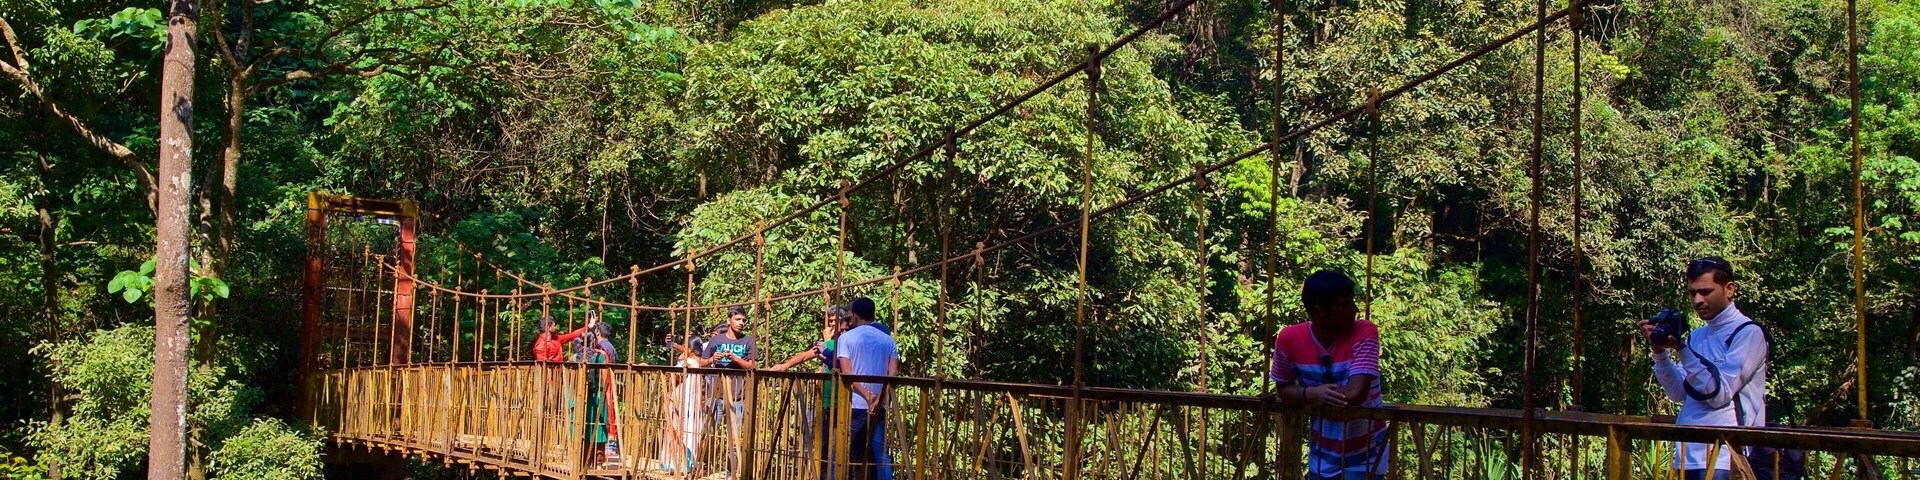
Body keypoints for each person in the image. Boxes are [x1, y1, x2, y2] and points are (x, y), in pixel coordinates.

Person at [1637, 256, 1769, 480]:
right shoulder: (1699, 335)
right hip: (1688, 454)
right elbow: (1678, 392)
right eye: (1692, 293)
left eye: (1705, 292)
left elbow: (1720, 394)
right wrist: (1660, 352)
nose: (1697, 300)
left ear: (1729, 289)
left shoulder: (1748, 334)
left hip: (1727, 457)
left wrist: (1681, 348)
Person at [1268, 269, 1388, 480]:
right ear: (1320, 310)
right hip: (1323, 450)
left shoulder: (1365, 331)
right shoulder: (1289, 339)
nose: (1354, 309)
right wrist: (1311, 394)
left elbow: (1355, 393)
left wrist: (1310, 394)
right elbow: (1283, 387)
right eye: (1344, 304)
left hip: (1368, 451)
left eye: (1352, 301)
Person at [767, 306, 854, 480]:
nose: (833, 325)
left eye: (836, 322)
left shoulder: (850, 343)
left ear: (846, 323)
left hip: (848, 403)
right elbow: (806, 356)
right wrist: (785, 366)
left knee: (845, 448)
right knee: (823, 448)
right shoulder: (828, 345)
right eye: (830, 322)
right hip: (827, 403)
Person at [836, 297, 898, 480]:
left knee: (852, 451)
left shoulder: (846, 338)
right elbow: (892, 375)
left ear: (854, 316)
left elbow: (847, 374)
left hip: (857, 404)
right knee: (881, 455)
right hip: (880, 405)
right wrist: (878, 400)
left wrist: (866, 396)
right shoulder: (888, 340)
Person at [698, 307, 758, 478]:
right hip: (715, 394)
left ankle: (731, 473)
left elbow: (753, 365)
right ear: (729, 320)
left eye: (744, 320)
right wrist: (712, 359)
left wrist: (736, 359)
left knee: (734, 438)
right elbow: (701, 362)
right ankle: (703, 466)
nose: (741, 323)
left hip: (738, 395)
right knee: (707, 432)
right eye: (738, 319)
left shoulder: (748, 341)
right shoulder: (716, 340)